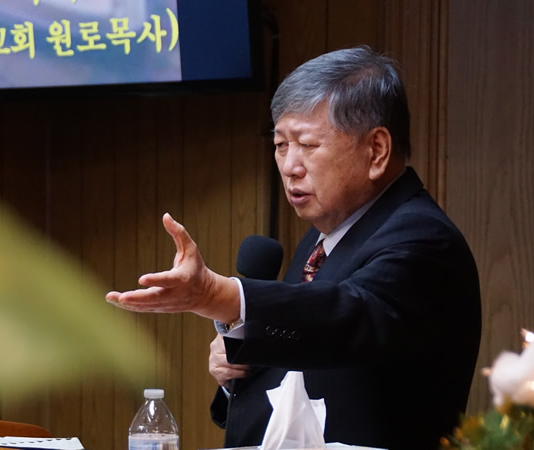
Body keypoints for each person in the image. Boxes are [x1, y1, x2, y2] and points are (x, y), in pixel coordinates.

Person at [106, 46, 481, 450]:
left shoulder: (423, 238)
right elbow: (303, 350)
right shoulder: (324, 238)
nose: (289, 166)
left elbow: (346, 318)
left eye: (308, 144)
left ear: (376, 150)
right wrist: (236, 366)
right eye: (281, 144)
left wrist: (220, 296)